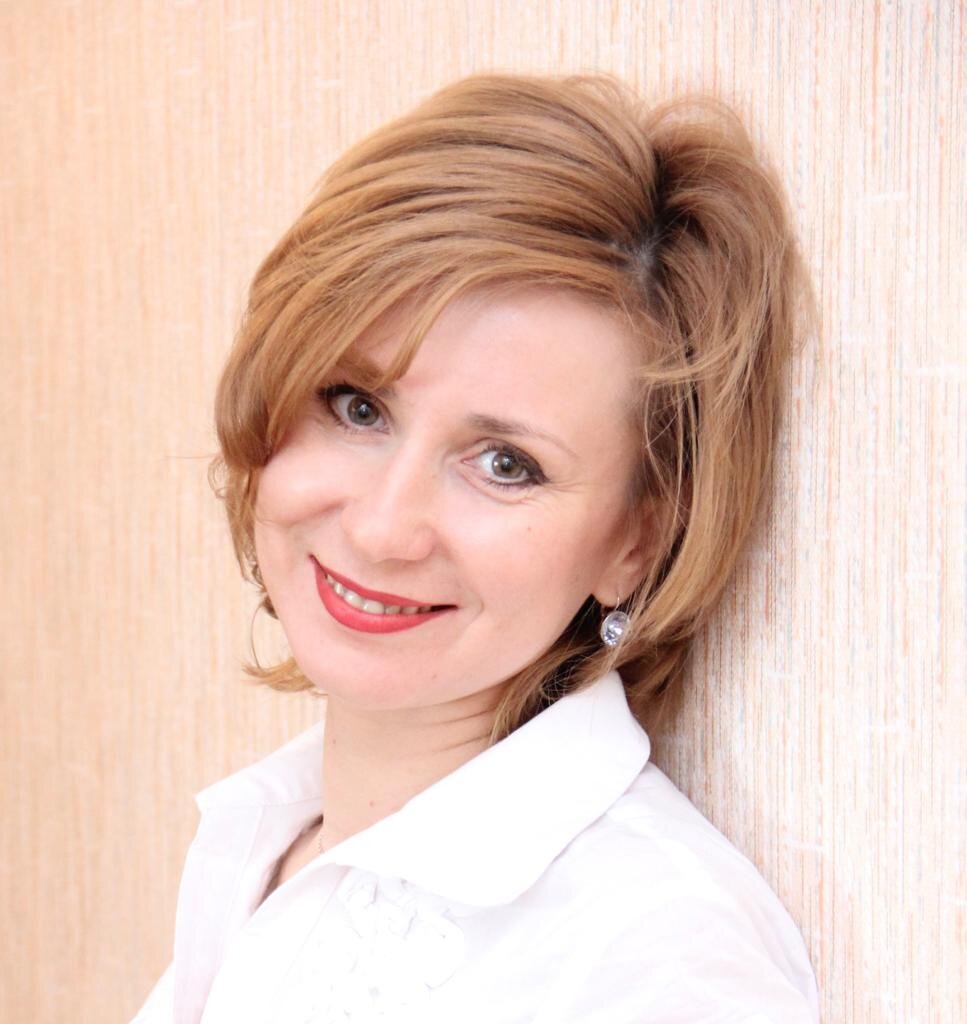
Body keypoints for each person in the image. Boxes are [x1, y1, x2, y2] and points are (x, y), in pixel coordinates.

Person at [131, 71, 820, 1023]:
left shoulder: (651, 954)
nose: (380, 527)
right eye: (356, 407)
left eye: (505, 464)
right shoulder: (268, 837)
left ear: (636, 542)